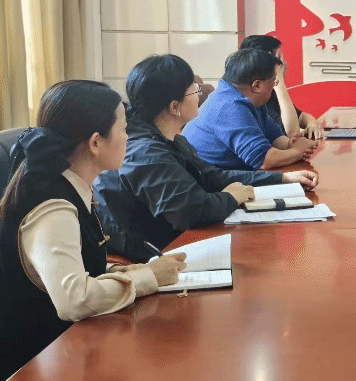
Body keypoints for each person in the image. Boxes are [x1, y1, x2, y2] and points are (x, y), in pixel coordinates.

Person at [0, 80, 187, 380]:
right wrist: (149, 278)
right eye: (123, 129)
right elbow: (73, 300)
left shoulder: (68, 184)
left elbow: (77, 263)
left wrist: (129, 271)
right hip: (30, 377)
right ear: (95, 143)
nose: (128, 137)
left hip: (64, 354)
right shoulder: (53, 207)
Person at [95, 55, 320, 263]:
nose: (200, 95)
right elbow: (190, 211)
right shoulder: (146, 153)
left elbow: (211, 176)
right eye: (194, 90)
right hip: (153, 255)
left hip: (175, 238)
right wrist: (231, 197)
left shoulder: (169, 138)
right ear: (174, 107)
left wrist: (283, 179)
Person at [183, 48, 316, 170]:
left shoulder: (251, 100)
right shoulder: (230, 107)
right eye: (273, 82)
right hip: (210, 183)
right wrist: (297, 152)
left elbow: (274, 137)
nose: (274, 86)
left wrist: (292, 145)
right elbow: (264, 160)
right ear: (257, 85)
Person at [240, 34, 324, 140]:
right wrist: (278, 80)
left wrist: (311, 125)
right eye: (280, 59)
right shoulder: (255, 98)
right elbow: (292, 133)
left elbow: (302, 116)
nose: (285, 64)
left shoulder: (271, 91)